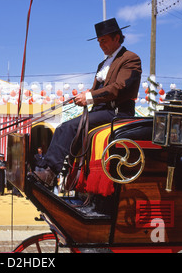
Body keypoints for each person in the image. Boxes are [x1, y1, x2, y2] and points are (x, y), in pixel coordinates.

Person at [34, 18, 142, 187]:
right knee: (70, 134)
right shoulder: (102, 64)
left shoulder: (130, 58)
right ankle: (72, 180)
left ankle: (49, 173)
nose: (101, 45)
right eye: (99, 42)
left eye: (104, 41)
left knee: (68, 127)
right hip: (99, 110)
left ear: (117, 38)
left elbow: (118, 88)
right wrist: (86, 98)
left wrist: (89, 97)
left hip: (117, 112)